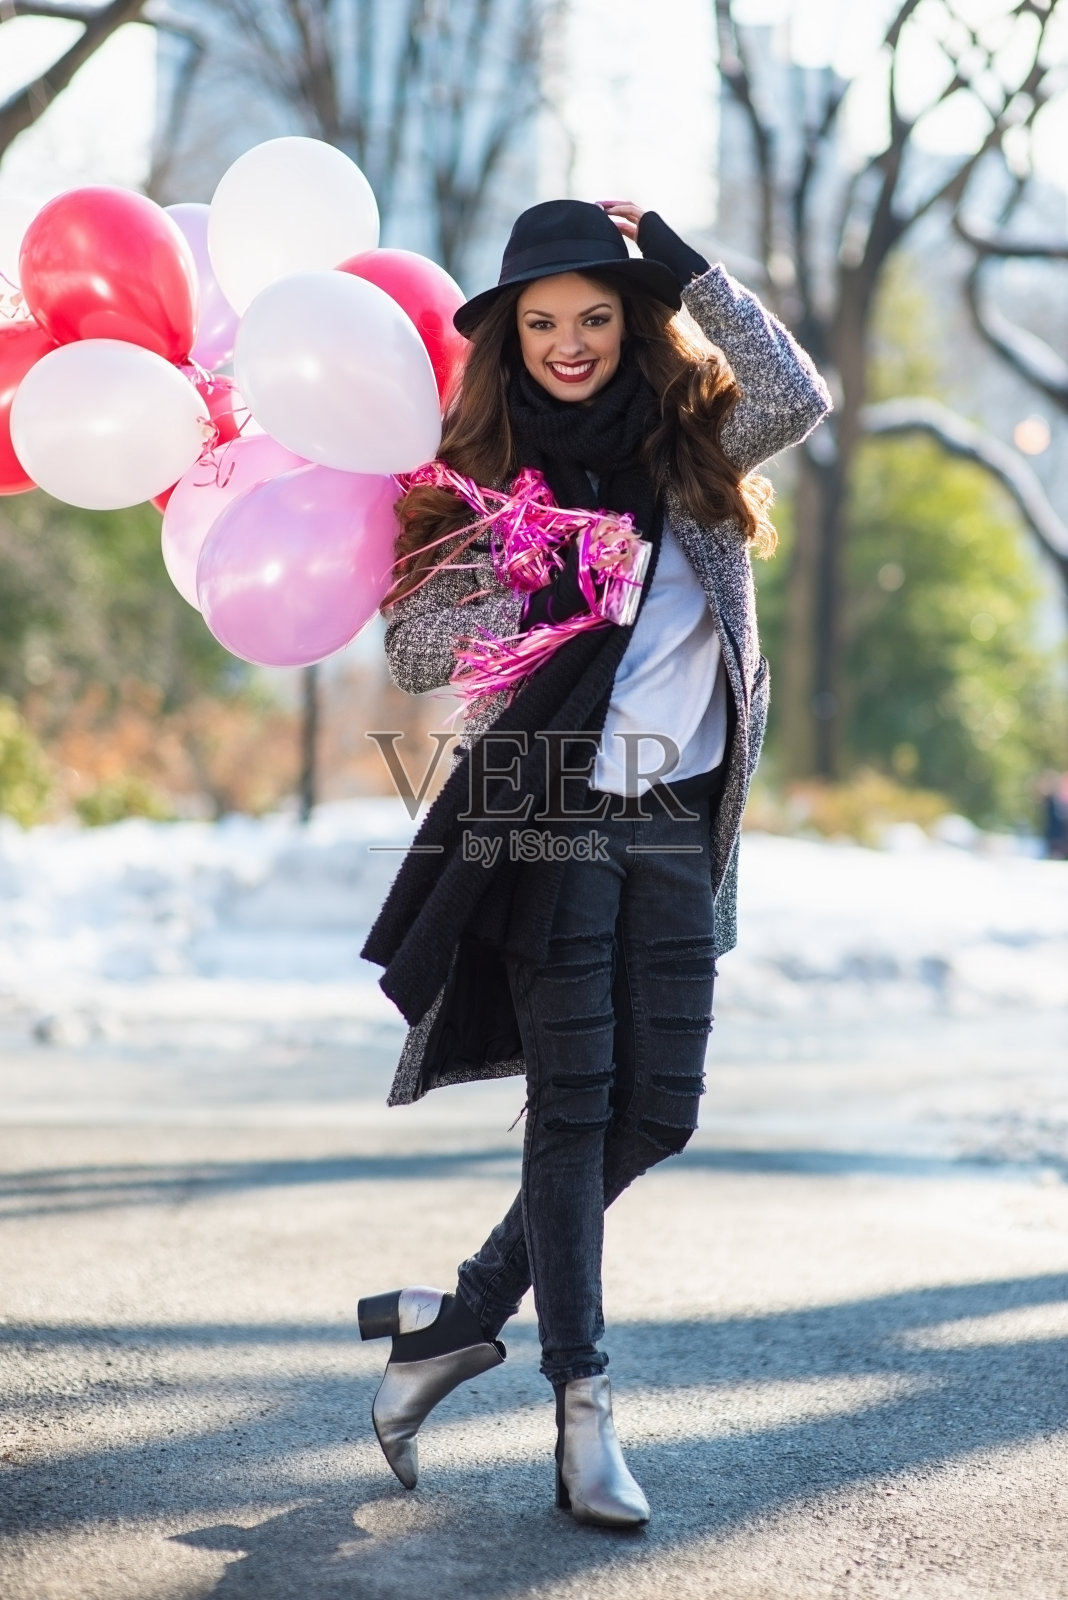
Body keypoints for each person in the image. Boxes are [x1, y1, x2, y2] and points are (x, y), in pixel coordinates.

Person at [358, 198, 832, 1527]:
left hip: (677, 817)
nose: (569, 342)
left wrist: (685, 268)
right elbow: (411, 651)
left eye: (597, 315)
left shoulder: (693, 449)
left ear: (634, 325)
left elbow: (799, 390)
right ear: (512, 338)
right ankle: (582, 1411)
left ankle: (453, 1322)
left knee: (657, 1112)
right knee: (572, 1114)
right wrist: (535, 569)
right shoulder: (494, 472)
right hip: (545, 804)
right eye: (543, 321)